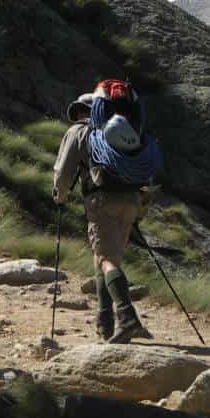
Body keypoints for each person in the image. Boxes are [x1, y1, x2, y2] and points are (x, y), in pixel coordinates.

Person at [53, 87, 154, 344]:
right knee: (106, 258)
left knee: (107, 259)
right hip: (132, 200)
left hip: (101, 200)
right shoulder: (123, 131)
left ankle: (127, 317)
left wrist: (60, 196)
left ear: (83, 111)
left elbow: (64, 170)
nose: (75, 116)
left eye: (77, 111)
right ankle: (105, 322)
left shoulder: (79, 131)